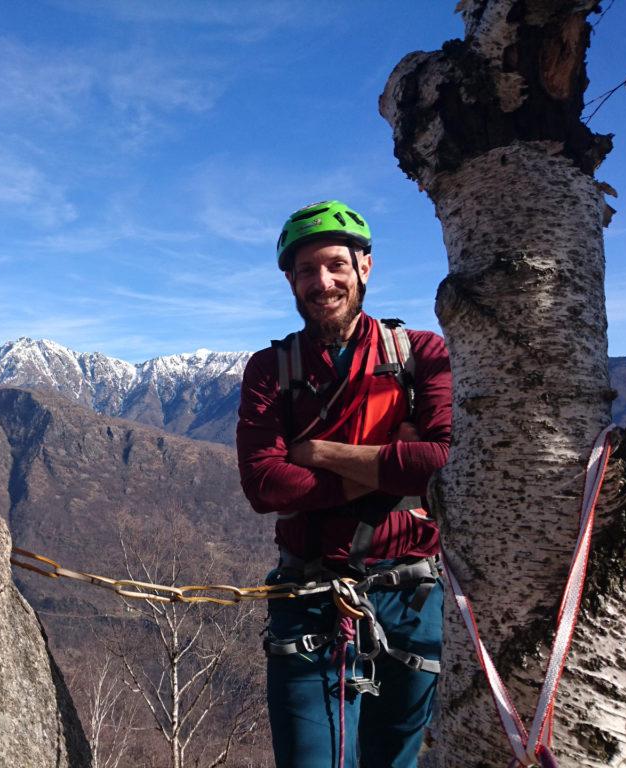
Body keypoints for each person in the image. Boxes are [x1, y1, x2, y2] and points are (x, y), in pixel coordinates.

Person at [236, 200, 452, 768]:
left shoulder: (419, 354)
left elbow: (442, 463)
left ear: (365, 267)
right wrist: (390, 466)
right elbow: (264, 486)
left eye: (334, 264)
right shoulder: (271, 369)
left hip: (410, 594)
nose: (322, 282)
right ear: (290, 280)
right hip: (309, 595)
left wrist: (322, 454)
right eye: (306, 270)